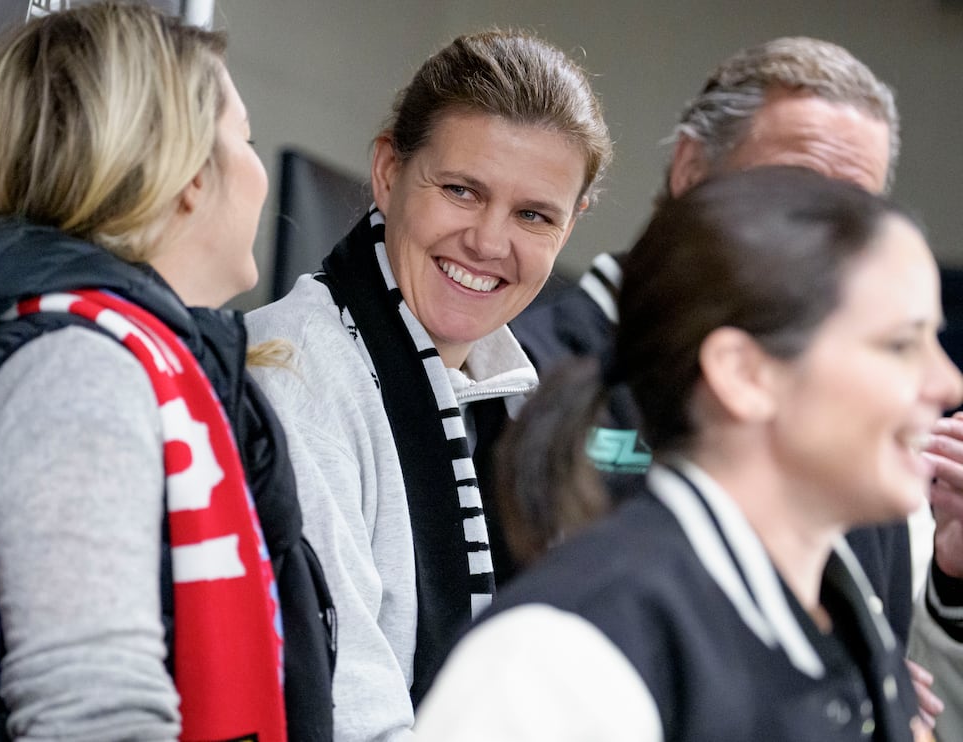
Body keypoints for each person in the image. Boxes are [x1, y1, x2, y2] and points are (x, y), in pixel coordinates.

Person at [0, 4, 332, 741]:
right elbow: (94, 717)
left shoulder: (155, 366)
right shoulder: (79, 372)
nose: (258, 170)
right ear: (191, 175)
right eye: (244, 140)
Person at [417, 166, 958, 742]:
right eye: (900, 344)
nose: (948, 382)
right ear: (745, 375)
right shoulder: (567, 656)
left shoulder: (853, 631)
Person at [246, 29, 610, 740]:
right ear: (387, 171)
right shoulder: (291, 372)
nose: (488, 242)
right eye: (462, 191)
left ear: (570, 228)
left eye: (533, 215)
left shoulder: (524, 412)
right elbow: (347, 709)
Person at [510, 34, 924, 644]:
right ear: (691, 169)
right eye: (793, 186)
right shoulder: (519, 372)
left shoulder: (868, 449)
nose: (822, 239)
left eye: (851, 212)